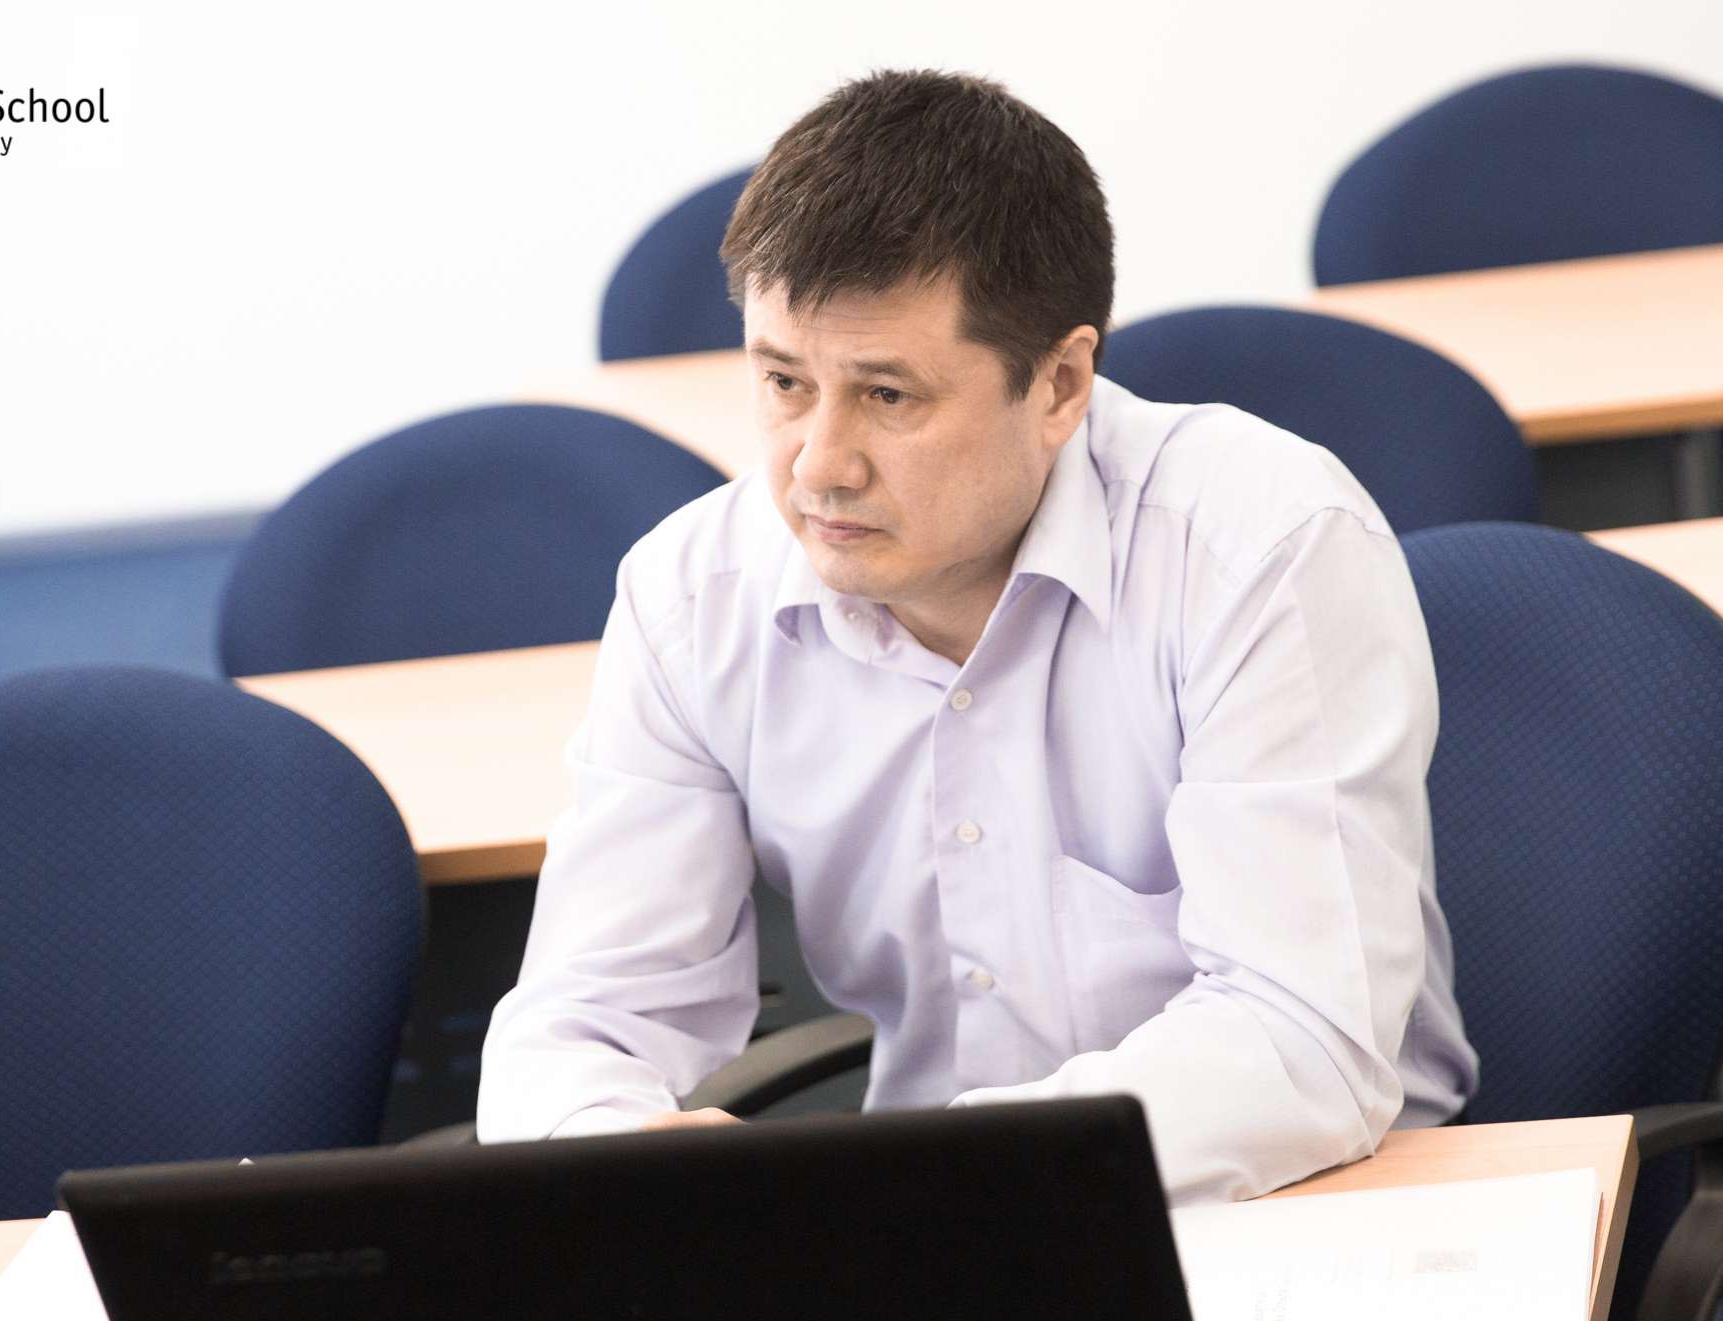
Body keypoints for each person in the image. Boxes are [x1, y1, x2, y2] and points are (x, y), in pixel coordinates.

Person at [476, 69, 1476, 1203]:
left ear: (1059, 385)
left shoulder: (1258, 548)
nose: (818, 465)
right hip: (934, 1221)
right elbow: (583, 1016)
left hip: (1316, 1195)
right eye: (783, 382)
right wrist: (608, 1147)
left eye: (886, 396)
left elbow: (1301, 1043)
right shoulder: (690, 600)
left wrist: (917, 1183)